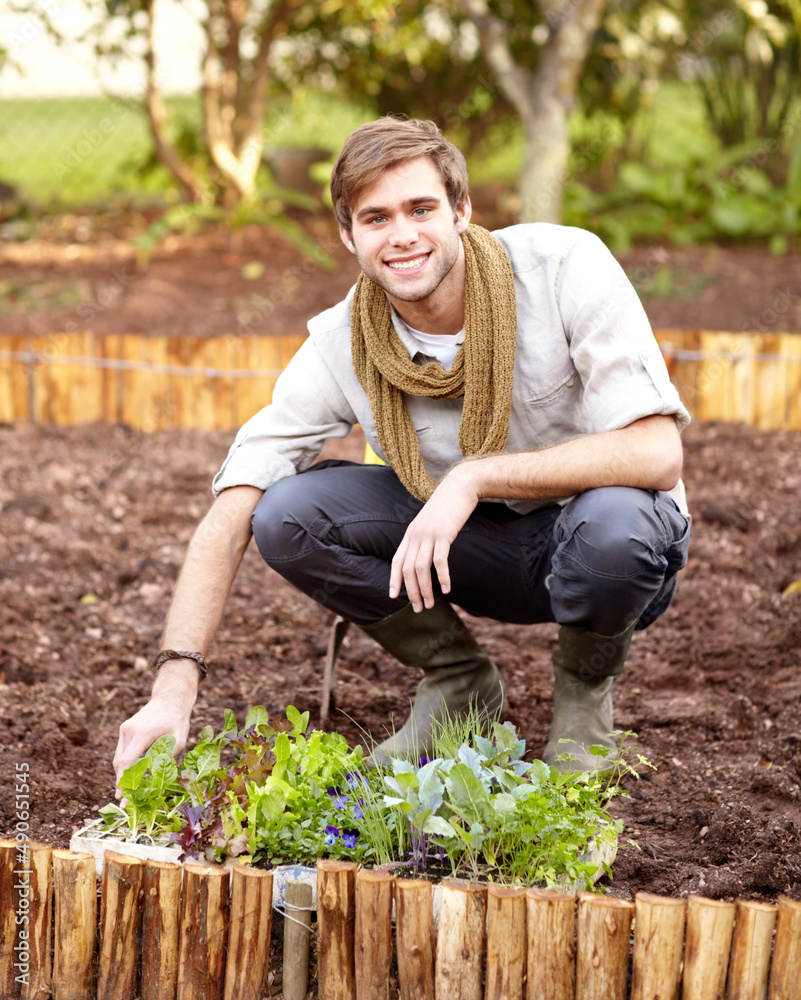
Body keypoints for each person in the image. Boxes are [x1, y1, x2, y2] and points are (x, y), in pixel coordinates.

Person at [113, 116, 690, 788]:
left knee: (616, 522)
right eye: (376, 217)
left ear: (461, 211)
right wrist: (172, 691)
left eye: (421, 208)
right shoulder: (342, 343)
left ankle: (585, 699)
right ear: (348, 236)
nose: (403, 235)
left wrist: (472, 477)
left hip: (601, 556)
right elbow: (234, 506)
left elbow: (656, 451)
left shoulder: (564, 268)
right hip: (463, 555)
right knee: (285, 514)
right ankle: (457, 680)